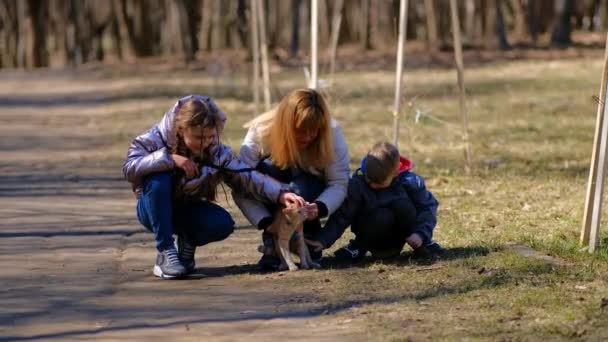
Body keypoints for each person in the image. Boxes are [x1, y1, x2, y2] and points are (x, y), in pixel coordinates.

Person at [123, 95, 305, 279]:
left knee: (222, 223)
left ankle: (187, 243)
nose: (206, 143)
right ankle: (166, 252)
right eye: (199, 137)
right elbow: (130, 167)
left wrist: (281, 194)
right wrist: (169, 160)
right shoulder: (154, 139)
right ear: (180, 129)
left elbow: (247, 175)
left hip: (187, 209)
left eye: (211, 136)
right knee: (158, 180)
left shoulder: (217, 152)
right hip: (151, 208)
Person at [233, 88, 350, 270]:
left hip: (308, 197)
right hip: (272, 198)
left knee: (301, 189)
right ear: (286, 125)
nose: (308, 136)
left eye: (314, 131)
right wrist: (265, 221)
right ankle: (273, 242)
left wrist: (320, 207)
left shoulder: (332, 134)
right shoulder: (261, 132)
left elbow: (338, 183)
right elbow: (240, 182)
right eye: (301, 130)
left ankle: (307, 237)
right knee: (265, 170)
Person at [306, 141, 442, 261]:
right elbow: (343, 215)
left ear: (395, 173)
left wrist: (420, 233)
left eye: (378, 183)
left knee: (403, 205)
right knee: (382, 215)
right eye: (368, 179)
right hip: (371, 232)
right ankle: (359, 246)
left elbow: (427, 207)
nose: (371, 185)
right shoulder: (358, 183)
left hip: (403, 234)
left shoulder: (410, 182)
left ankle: (423, 244)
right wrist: (323, 239)